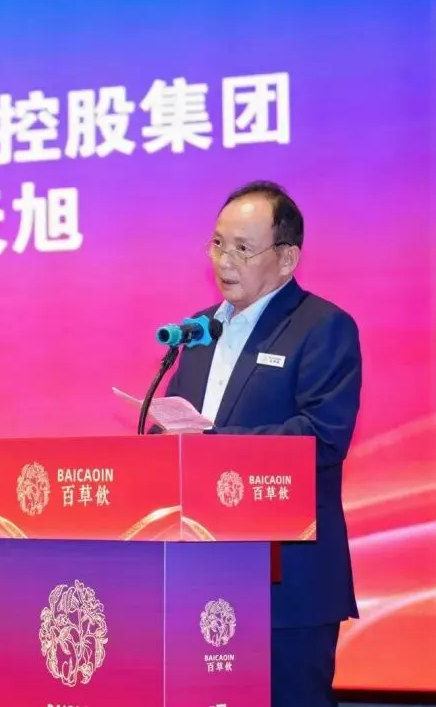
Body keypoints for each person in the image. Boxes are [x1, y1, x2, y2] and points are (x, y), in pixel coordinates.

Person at [162, 180, 362, 707]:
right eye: (217, 243)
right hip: (200, 574)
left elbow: (324, 436)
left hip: (288, 581)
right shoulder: (198, 332)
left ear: (287, 258)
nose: (224, 260)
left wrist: (211, 442)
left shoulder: (323, 328)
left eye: (242, 248)